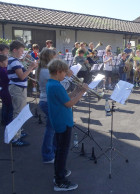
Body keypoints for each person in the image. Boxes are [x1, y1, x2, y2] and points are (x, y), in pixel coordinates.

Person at [46, 59, 87, 191]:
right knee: (62, 151)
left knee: (60, 149)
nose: (66, 75)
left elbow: (66, 97)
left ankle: (60, 171)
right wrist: (82, 92)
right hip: (63, 122)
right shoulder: (56, 86)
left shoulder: (52, 83)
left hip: (59, 120)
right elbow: (69, 103)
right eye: (64, 72)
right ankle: (60, 181)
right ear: (58, 72)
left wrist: (76, 90)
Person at [8, 40, 38, 146]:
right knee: (17, 113)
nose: (22, 53)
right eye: (21, 51)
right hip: (17, 88)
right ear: (15, 50)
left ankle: (18, 133)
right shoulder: (14, 61)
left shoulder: (14, 60)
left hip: (18, 88)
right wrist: (31, 67)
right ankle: (15, 138)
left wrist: (26, 63)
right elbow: (22, 76)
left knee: (19, 112)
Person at [36, 49, 59, 163]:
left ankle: (53, 151)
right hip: (47, 102)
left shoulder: (45, 70)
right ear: (50, 58)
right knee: (50, 130)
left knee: (52, 129)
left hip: (48, 101)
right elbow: (60, 84)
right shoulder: (46, 71)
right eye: (55, 57)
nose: (56, 59)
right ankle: (47, 155)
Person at [0, 55, 13, 126]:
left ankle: (4, 121)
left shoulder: (4, 68)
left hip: (3, 90)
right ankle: (9, 123)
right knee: (10, 108)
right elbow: (9, 78)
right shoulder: (2, 70)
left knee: (5, 106)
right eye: (6, 61)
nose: (7, 62)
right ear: (1, 62)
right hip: (6, 90)